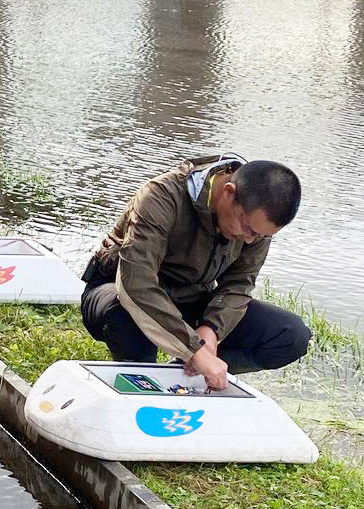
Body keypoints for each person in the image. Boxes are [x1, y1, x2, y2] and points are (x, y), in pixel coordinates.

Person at [80, 154, 312, 391]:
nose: (250, 239)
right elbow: (135, 286)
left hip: (191, 297)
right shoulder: (161, 196)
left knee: (291, 335)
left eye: (261, 236)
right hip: (116, 292)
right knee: (125, 316)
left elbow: (239, 284)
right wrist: (194, 348)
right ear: (228, 192)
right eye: (247, 228)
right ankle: (140, 383)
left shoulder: (255, 227)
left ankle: (184, 375)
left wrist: (211, 331)